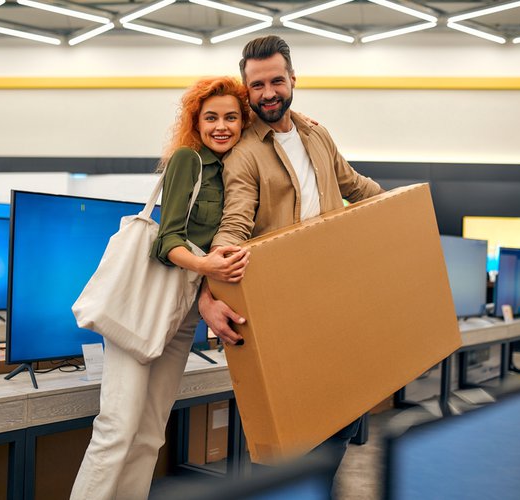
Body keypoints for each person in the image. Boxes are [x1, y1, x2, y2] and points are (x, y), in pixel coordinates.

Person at [197, 35, 384, 496]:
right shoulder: (245, 152)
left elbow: (356, 186)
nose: (268, 93)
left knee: (342, 422)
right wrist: (210, 294)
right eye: (256, 85)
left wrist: (407, 222)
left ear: (292, 79)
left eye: (276, 80)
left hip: (336, 300)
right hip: (283, 309)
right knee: (283, 443)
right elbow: (233, 224)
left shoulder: (317, 134)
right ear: (247, 90)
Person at [70, 76, 251, 500]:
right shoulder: (188, 160)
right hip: (145, 307)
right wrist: (205, 263)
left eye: (231, 117)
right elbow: (166, 240)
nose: (221, 126)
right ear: (196, 122)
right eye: (211, 117)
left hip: (183, 316)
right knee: (116, 429)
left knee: (151, 433)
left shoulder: (239, 173)